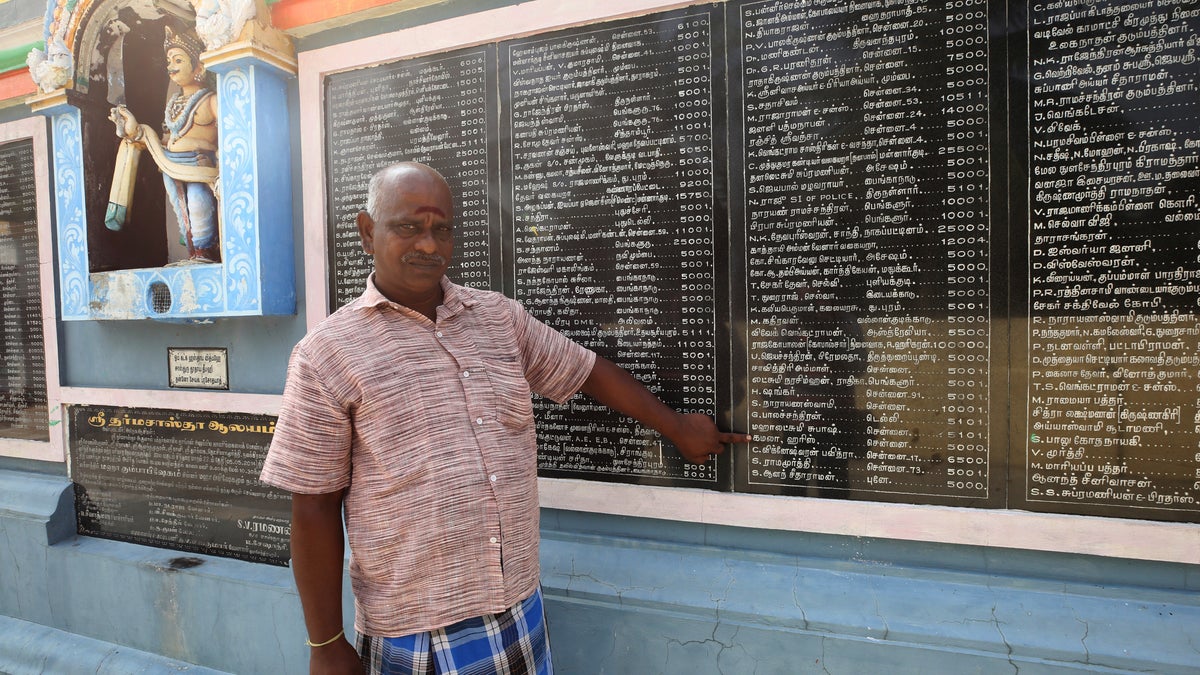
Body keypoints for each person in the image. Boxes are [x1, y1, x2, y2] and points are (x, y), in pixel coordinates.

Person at [260, 162, 749, 674]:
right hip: (415, 629)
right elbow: (313, 508)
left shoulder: (498, 319)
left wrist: (675, 425)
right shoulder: (326, 354)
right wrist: (325, 644)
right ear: (367, 231)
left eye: (442, 229)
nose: (429, 245)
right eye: (408, 226)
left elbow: (585, 371)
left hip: (517, 603)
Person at [107, 26, 221, 263]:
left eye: (178, 60)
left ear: (198, 67)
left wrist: (217, 158)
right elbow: (166, 141)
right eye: (169, 60)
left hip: (200, 168)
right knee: (182, 211)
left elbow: (230, 133)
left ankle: (206, 253)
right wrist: (134, 131)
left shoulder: (211, 100)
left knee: (199, 206)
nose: (171, 66)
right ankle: (195, 254)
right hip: (171, 167)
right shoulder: (173, 104)